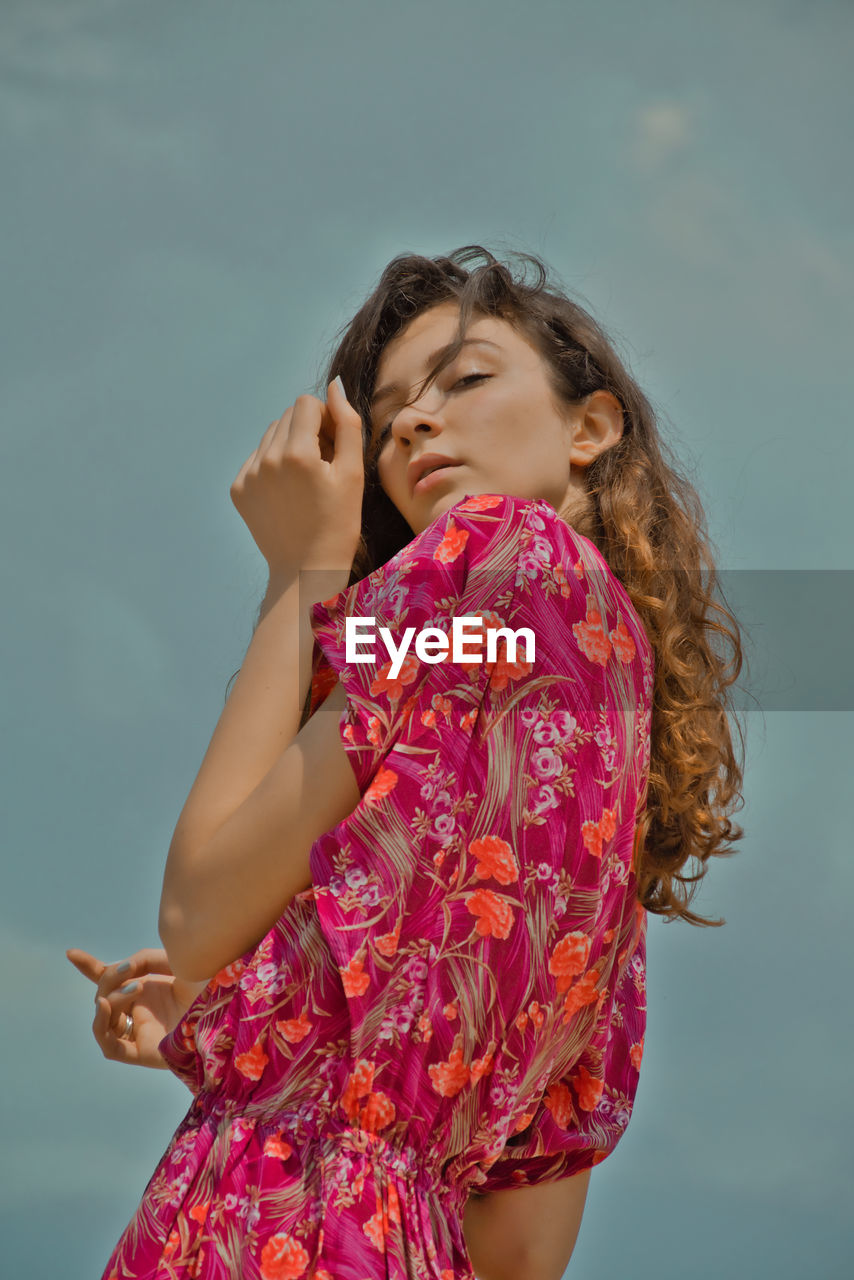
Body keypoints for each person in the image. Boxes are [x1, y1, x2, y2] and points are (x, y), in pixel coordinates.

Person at [67, 245, 746, 1280]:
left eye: (466, 379)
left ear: (589, 427)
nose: (418, 422)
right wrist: (246, 1023)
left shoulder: (487, 552)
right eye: (388, 422)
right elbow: (519, 1246)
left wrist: (299, 571)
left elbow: (196, 903)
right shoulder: (613, 850)